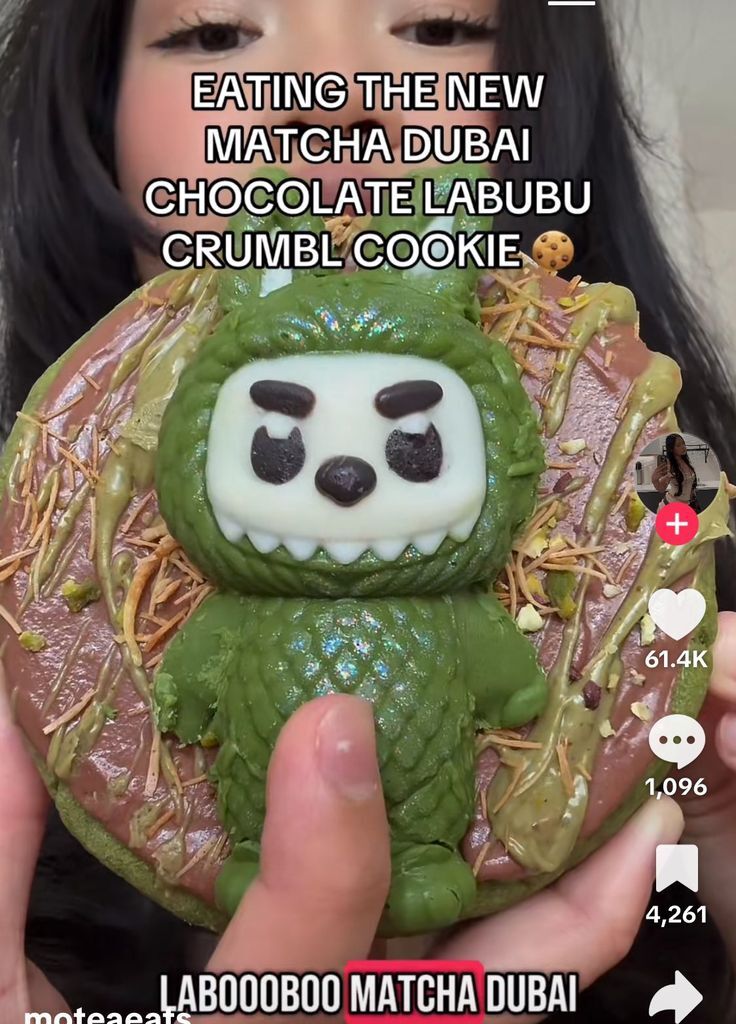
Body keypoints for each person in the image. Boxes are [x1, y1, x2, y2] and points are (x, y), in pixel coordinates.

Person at [0, 0, 735, 1019]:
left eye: (435, 29)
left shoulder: (661, 501)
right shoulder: (54, 590)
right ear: (94, 118)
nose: (336, 100)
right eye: (215, 35)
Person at [653, 433, 701, 512]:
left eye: (683, 443)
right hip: (671, 505)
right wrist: (654, 480)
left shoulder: (685, 461)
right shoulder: (670, 465)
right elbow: (661, 488)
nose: (683, 446)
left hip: (686, 505)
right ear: (672, 449)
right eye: (678, 445)